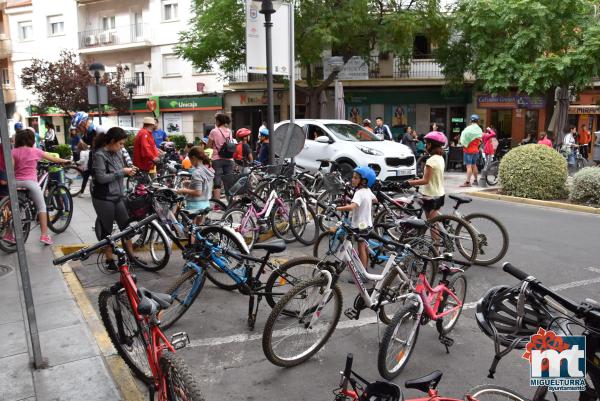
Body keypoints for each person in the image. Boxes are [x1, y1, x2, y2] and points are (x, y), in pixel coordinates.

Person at [3, 128, 70, 245]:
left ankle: (8, 234)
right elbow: (53, 158)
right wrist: (64, 160)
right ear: (31, 140)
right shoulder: (35, 151)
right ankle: (44, 235)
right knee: (42, 207)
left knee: (13, 209)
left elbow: (10, 169)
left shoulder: (13, 152)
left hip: (15, 183)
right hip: (30, 183)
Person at [91, 127, 138, 271]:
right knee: (107, 230)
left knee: (126, 227)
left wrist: (129, 171)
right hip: (103, 198)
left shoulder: (117, 153)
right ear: (112, 141)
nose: (122, 147)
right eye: (120, 144)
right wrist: (121, 173)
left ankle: (131, 257)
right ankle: (109, 260)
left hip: (118, 195)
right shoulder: (99, 155)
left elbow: (120, 171)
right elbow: (101, 178)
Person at [335, 166, 377, 270]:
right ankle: (365, 267)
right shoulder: (368, 190)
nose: (352, 180)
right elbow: (375, 200)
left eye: (356, 178)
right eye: (353, 177)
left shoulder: (359, 193)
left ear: (363, 181)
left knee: (361, 248)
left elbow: (352, 207)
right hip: (367, 224)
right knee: (364, 246)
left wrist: (337, 208)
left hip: (359, 225)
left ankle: (362, 272)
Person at [404, 131, 446, 220]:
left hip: (431, 195)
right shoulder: (440, 158)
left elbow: (425, 180)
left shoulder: (431, 160)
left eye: (426, 143)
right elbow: (433, 175)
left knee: (431, 225)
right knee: (434, 223)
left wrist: (409, 183)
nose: (424, 145)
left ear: (430, 144)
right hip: (439, 194)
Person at [177, 147, 214, 227]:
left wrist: (183, 190)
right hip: (205, 204)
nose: (190, 162)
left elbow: (198, 192)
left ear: (193, 158)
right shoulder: (207, 170)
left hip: (195, 205)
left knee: (191, 232)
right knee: (199, 230)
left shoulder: (197, 172)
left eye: (190, 160)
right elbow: (204, 183)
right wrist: (191, 182)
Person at [207, 113, 234, 199]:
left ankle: (217, 205)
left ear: (218, 121)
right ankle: (230, 203)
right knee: (228, 181)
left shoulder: (214, 131)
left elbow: (208, 146)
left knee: (217, 182)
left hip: (217, 159)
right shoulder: (229, 131)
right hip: (229, 158)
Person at [459, 114, 483, 187]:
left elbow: (462, 139)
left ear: (470, 120)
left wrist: (463, 143)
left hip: (468, 150)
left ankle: (467, 182)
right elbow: (480, 141)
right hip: (476, 150)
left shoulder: (467, 129)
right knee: (474, 165)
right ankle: (475, 181)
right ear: (478, 121)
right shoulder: (479, 129)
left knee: (468, 166)